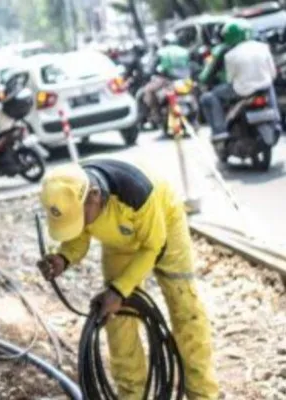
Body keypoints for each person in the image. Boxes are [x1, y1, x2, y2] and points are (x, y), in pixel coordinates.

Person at [37, 160, 219, 399]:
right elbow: (78, 236)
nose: (79, 225)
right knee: (116, 318)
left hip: (163, 224)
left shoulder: (136, 192)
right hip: (119, 240)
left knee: (184, 306)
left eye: (79, 219)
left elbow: (153, 247)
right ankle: (132, 395)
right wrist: (63, 257)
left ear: (95, 196)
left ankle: (202, 393)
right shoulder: (74, 190)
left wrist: (119, 290)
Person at [200, 19, 281, 141]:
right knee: (269, 85)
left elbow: (230, 79)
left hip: (241, 91)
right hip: (264, 86)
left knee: (210, 96)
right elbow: (272, 72)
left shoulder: (229, 54)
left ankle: (220, 130)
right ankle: (277, 121)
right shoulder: (263, 47)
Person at [142, 33, 192, 125]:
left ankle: (156, 115)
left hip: (167, 80)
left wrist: (149, 73)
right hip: (186, 80)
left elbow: (151, 68)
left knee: (148, 90)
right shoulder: (185, 51)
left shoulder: (161, 52)